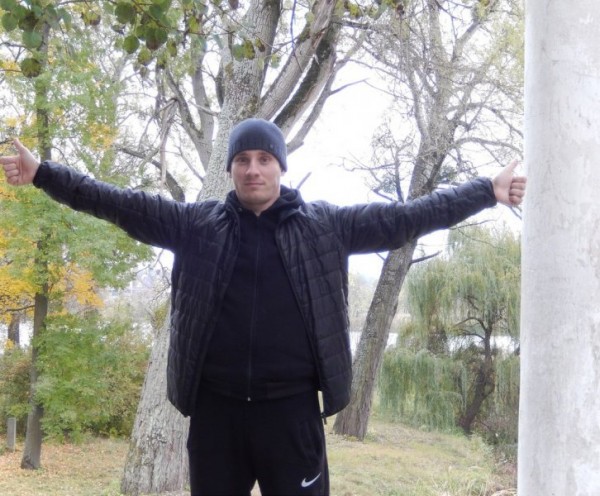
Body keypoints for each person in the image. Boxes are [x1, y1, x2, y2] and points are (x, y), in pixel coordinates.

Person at [1, 118, 526, 496]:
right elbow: (115, 202)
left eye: (264, 159)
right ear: (231, 168)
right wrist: (43, 173)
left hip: (291, 415)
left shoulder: (326, 227)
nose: (253, 169)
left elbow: (409, 217)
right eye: (242, 160)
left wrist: (487, 190)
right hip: (216, 416)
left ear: (280, 166)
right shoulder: (196, 226)